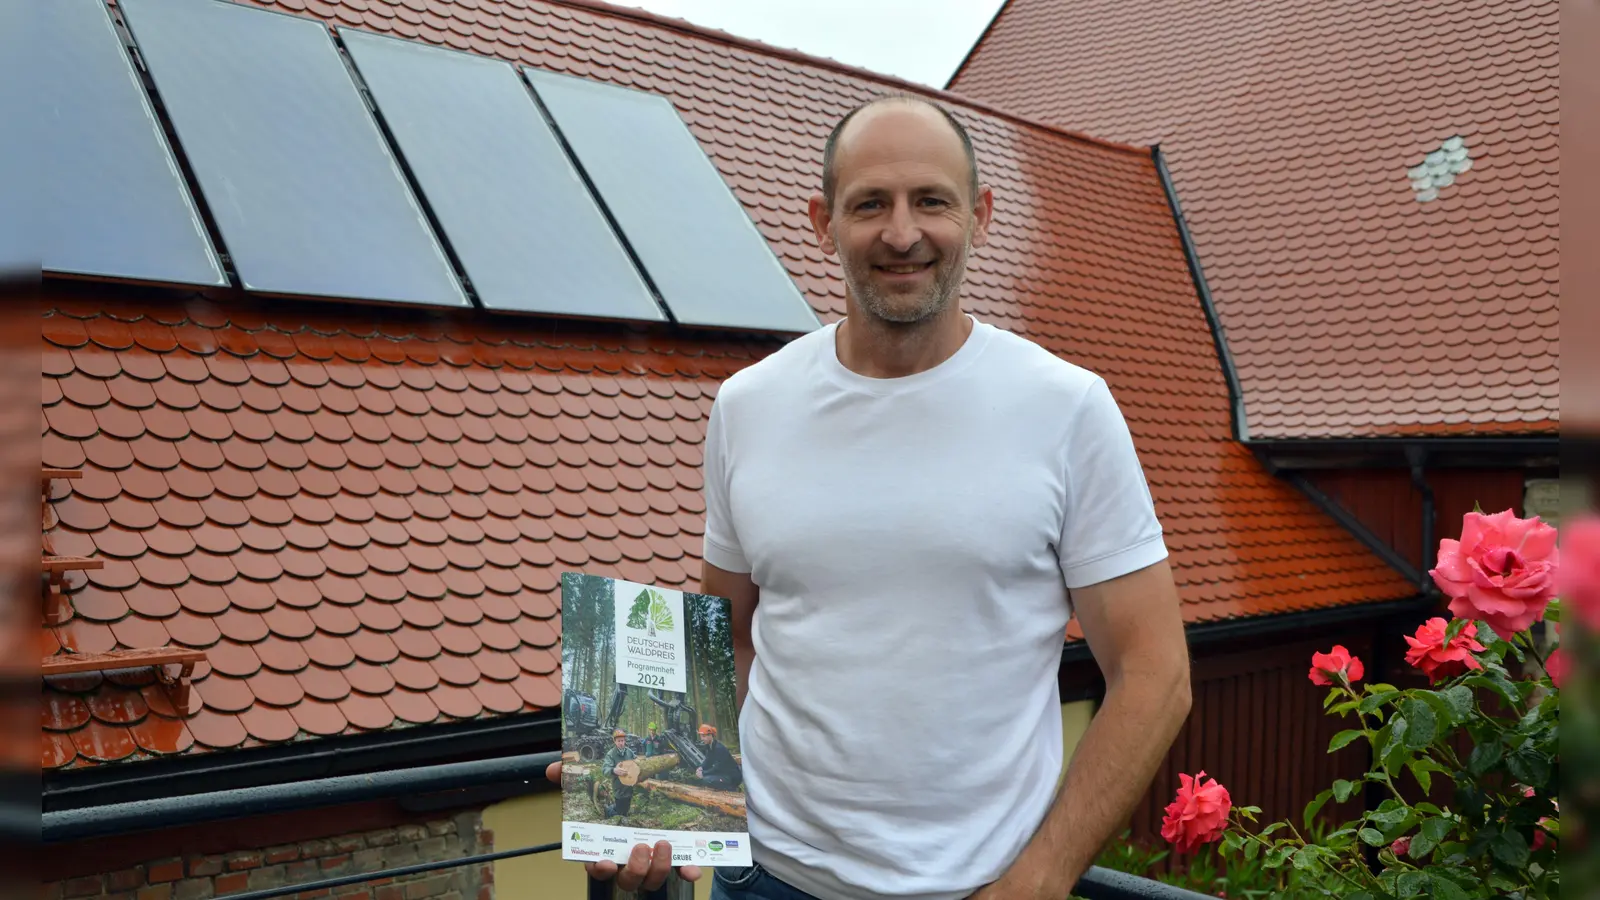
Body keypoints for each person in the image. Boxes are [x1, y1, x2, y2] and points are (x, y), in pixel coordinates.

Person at [547, 92, 1192, 898]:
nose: (901, 232)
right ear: (822, 222)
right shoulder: (748, 405)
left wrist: (1045, 874)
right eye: (869, 205)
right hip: (769, 878)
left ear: (981, 215)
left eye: (931, 200)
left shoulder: (1067, 407)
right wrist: (651, 805)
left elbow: (1155, 670)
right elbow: (730, 644)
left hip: (980, 886)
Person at [691, 724, 742, 790]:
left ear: (710, 735)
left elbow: (718, 767)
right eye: (701, 736)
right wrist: (701, 767)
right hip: (722, 773)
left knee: (707, 780)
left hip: (731, 776)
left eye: (703, 736)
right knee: (706, 778)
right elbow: (708, 760)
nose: (701, 739)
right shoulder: (709, 746)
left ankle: (733, 789)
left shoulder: (719, 748)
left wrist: (703, 773)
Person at [599, 729, 636, 819]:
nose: (621, 743)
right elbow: (605, 770)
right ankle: (608, 811)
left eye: (622, 741)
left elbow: (636, 762)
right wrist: (613, 770)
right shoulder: (611, 754)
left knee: (625, 809)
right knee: (620, 815)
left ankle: (613, 808)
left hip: (629, 788)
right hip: (618, 788)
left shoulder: (629, 752)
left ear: (625, 741)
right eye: (619, 741)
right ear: (615, 741)